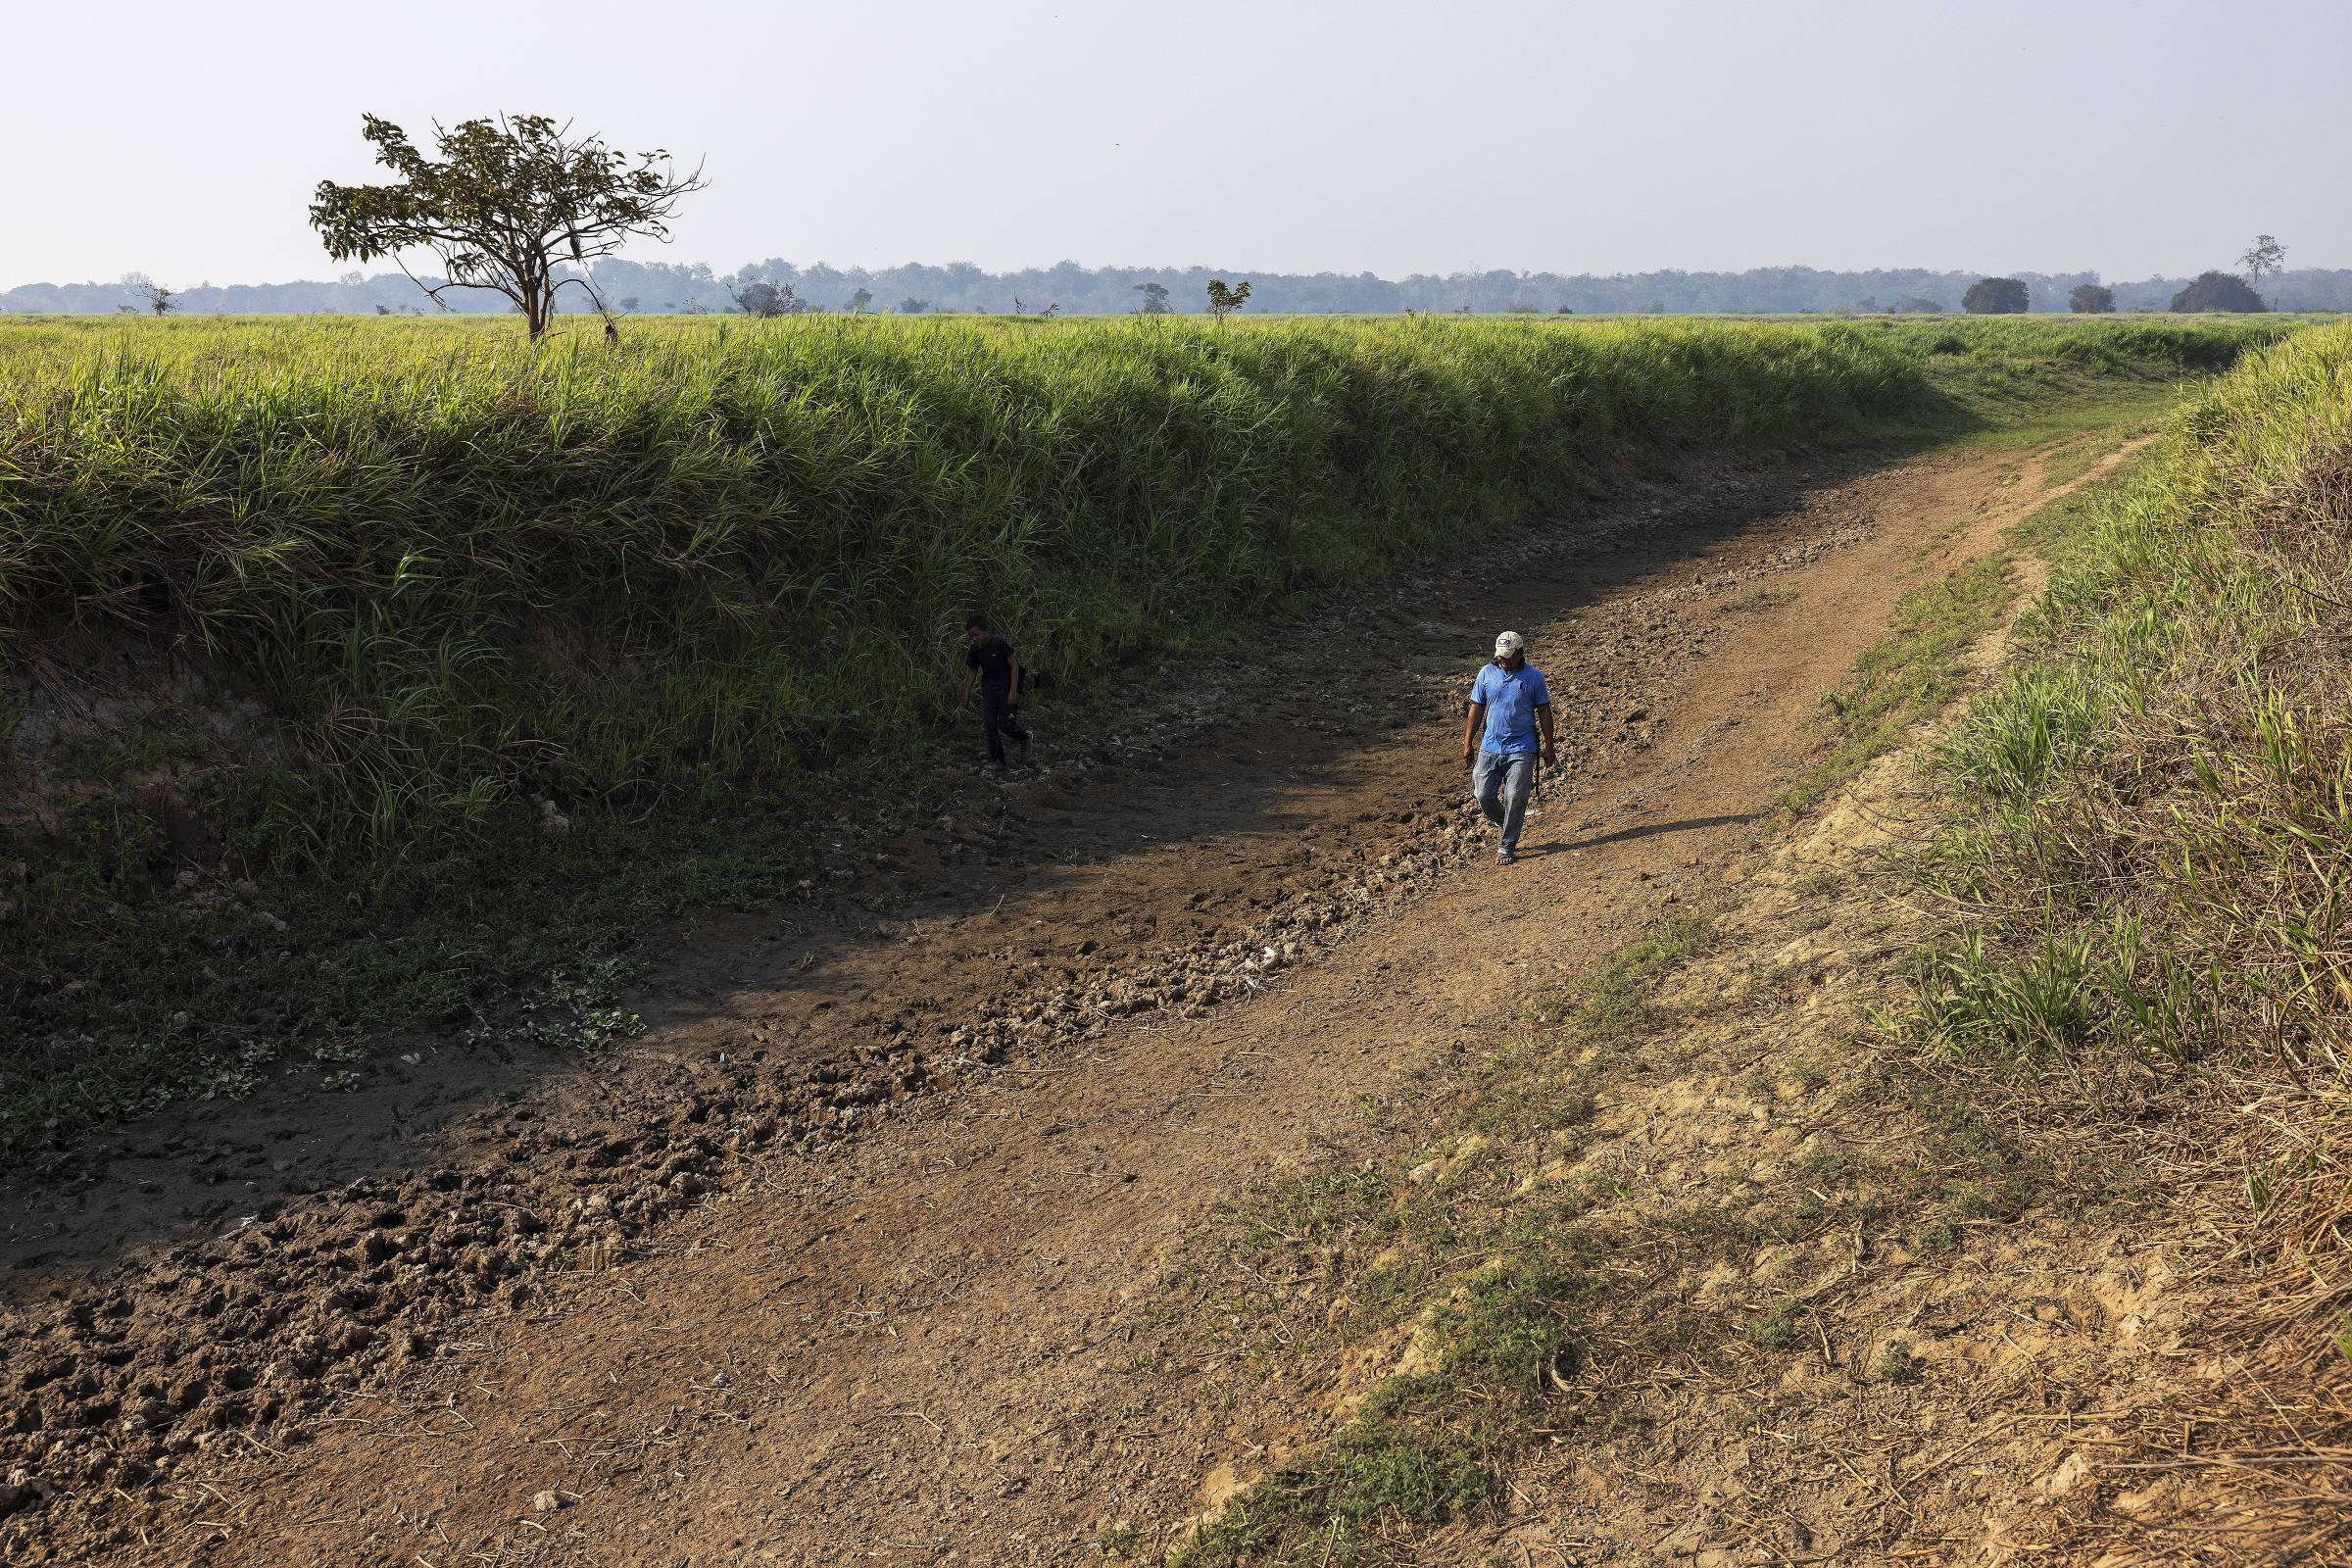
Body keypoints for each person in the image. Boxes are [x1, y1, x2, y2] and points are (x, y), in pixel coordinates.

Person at [1462, 630, 1555, 864]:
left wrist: (1549, 746)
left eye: (1507, 655)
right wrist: (1468, 743)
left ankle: (1507, 845)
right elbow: (1476, 709)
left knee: (1514, 795)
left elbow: (1544, 712)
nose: (1502, 659)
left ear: (1520, 653)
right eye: (1499, 655)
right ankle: (1509, 821)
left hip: (1522, 746)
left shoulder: (1534, 677)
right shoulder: (1486, 673)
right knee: (1482, 794)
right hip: (1490, 745)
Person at [959, 614, 1030, 766]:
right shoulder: (974, 650)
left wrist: (1013, 691)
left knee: (1006, 725)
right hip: (989, 688)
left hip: (1006, 686)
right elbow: (973, 670)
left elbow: (1014, 665)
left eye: (977, 635)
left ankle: (1024, 738)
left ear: (985, 631)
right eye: (971, 636)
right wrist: (966, 693)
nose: (974, 639)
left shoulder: (999, 643)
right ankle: (998, 760)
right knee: (990, 724)